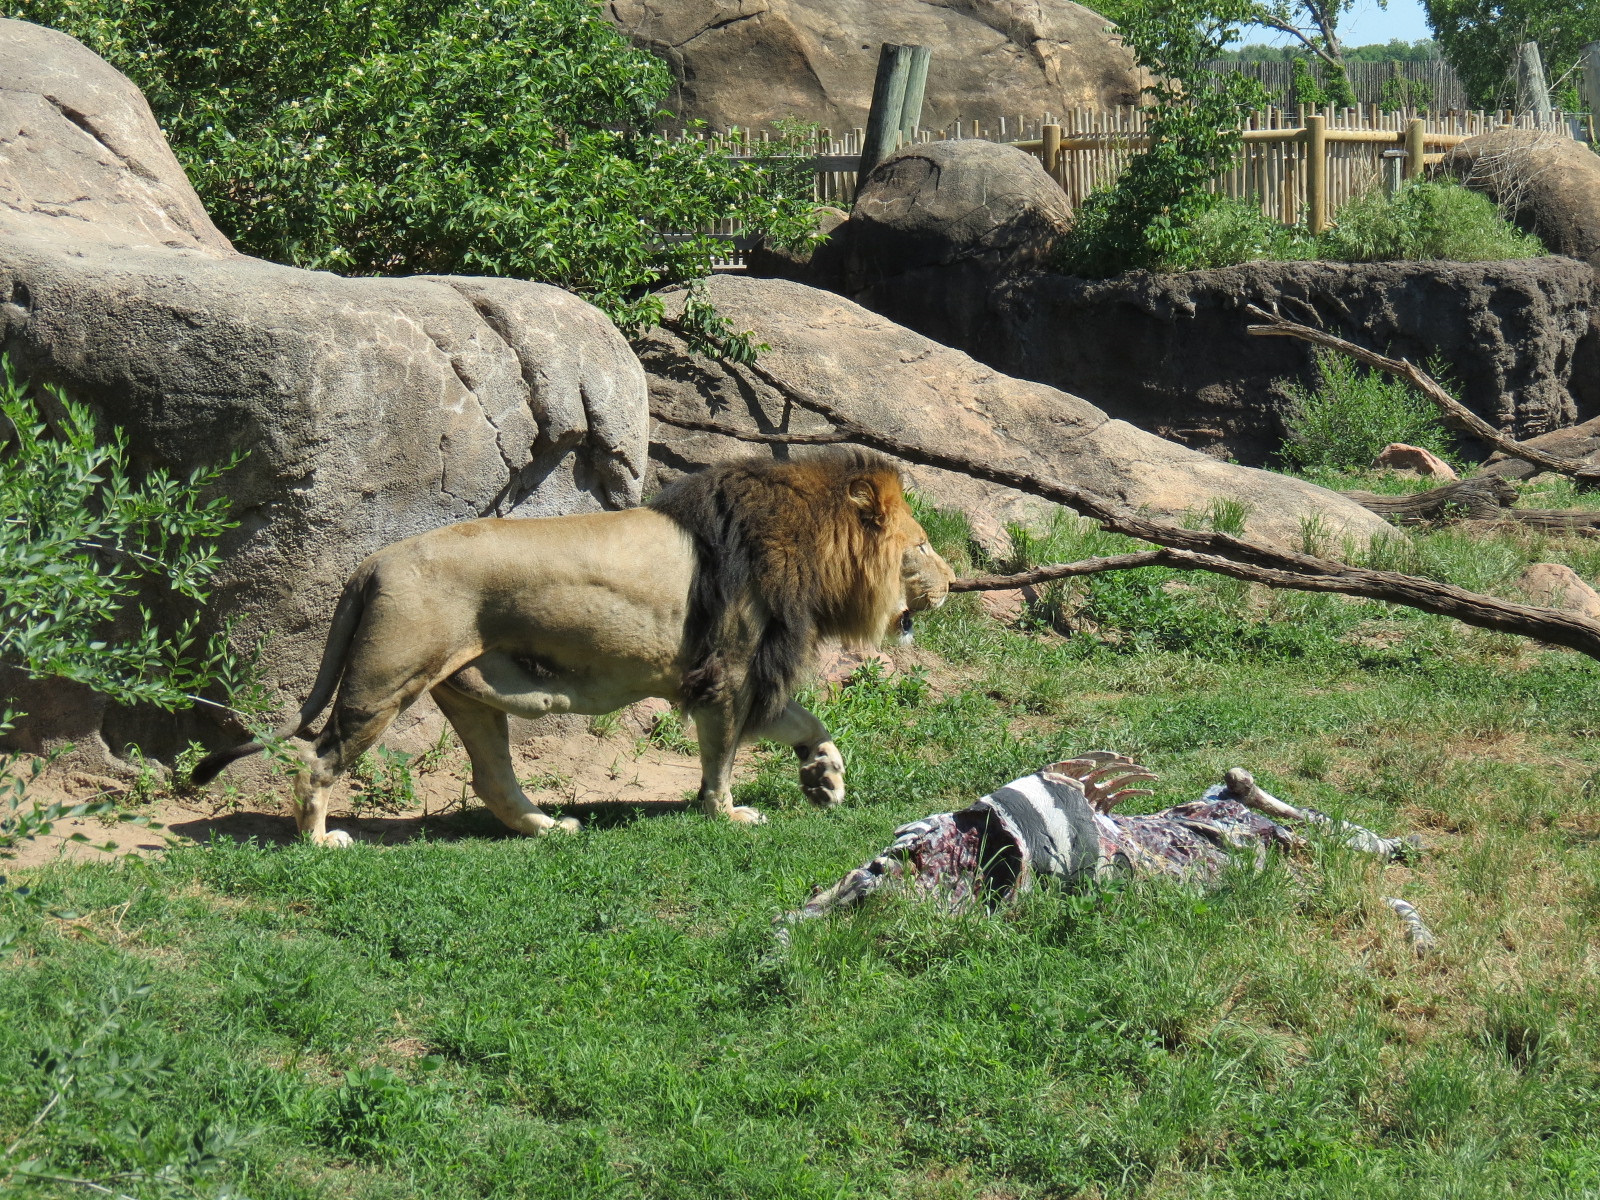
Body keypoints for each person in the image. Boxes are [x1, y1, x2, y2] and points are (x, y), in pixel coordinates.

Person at [778, 753, 1435, 953]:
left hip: (1081, 836)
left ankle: (1373, 845)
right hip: (1090, 840)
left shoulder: (1233, 827)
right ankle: (1374, 846)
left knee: (1260, 833)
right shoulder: (1235, 831)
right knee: (1260, 836)